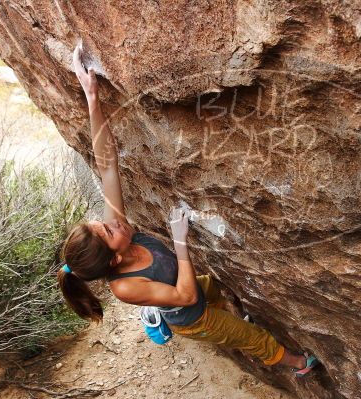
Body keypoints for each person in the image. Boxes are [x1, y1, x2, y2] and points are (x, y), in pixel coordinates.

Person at [57, 44, 319, 376]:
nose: (111, 223)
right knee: (251, 336)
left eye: (99, 224)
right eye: (107, 230)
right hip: (192, 318)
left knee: (215, 291)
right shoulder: (125, 286)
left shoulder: (116, 236)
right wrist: (179, 241)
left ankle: (232, 316)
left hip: (195, 286)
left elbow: (107, 167)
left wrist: (91, 99)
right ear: (115, 260)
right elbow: (182, 295)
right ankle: (299, 365)